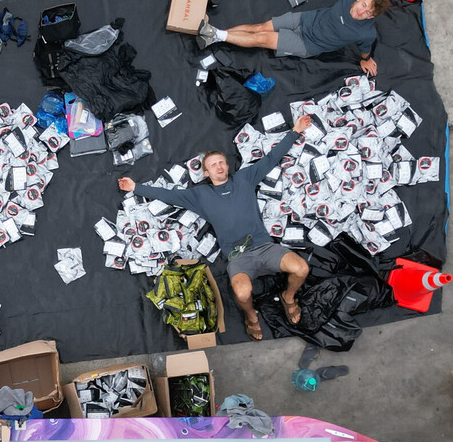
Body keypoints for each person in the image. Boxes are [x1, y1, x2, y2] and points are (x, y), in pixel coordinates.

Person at [117, 115, 313, 340]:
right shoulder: (200, 195)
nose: (219, 166)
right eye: (213, 165)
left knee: (301, 268)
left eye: (221, 162)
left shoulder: (244, 178)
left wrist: (295, 131)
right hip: (239, 257)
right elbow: (168, 195)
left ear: (227, 166)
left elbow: (271, 159)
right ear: (206, 174)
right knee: (241, 291)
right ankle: (251, 316)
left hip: (265, 247)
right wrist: (136, 187)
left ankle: (288, 297)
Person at [198, 0, 392, 76]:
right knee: (260, 27)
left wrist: (365, 61)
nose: (362, 12)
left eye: (368, 14)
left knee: (263, 38)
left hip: (308, 44)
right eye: (364, 5)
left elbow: (365, 49)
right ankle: (214, 36)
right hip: (306, 19)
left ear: (372, 17)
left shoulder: (366, 32)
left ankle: (215, 34)